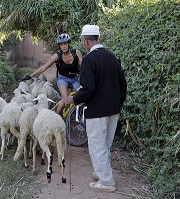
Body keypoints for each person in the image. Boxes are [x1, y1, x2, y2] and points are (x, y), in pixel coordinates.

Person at [64, 24, 127, 192]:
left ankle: (106, 182)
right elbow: (123, 84)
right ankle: (102, 172)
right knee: (105, 144)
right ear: (98, 38)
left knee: (97, 145)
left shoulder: (89, 60)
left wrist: (74, 99)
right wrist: (118, 105)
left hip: (97, 110)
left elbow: (88, 87)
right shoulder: (113, 57)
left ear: (85, 42)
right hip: (113, 109)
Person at [21, 33, 83, 115]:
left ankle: (76, 118)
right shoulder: (57, 56)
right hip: (62, 79)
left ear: (69, 44)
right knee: (65, 100)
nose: (64, 46)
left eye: (65, 44)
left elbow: (84, 66)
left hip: (75, 78)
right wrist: (30, 76)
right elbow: (44, 67)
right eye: (61, 44)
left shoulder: (76, 53)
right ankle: (57, 118)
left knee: (80, 98)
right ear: (59, 46)